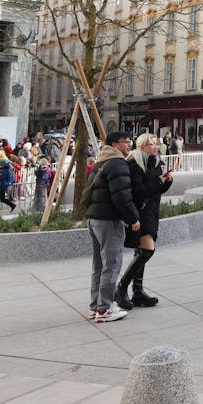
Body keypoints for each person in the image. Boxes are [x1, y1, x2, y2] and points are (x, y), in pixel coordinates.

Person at [85, 130, 140, 322]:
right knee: (112, 263)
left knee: (99, 265)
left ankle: (96, 306)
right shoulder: (118, 164)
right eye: (127, 142)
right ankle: (104, 309)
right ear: (115, 144)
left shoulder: (101, 161)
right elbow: (122, 196)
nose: (129, 145)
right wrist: (133, 218)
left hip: (94, 219)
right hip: (108, 220)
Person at [116, 133, 174, 310]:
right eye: (152, 144)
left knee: (141, 252)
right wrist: (159, 180)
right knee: (147, 250)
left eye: (157, 144)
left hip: (151, 211)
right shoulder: (135, 163)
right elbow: (139, 191)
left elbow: (154, 190)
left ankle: (138, 291)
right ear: (142, 146)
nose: (156, 147)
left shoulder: (153, 162)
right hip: (140, 212)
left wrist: (166, 182)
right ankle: (122, 287)